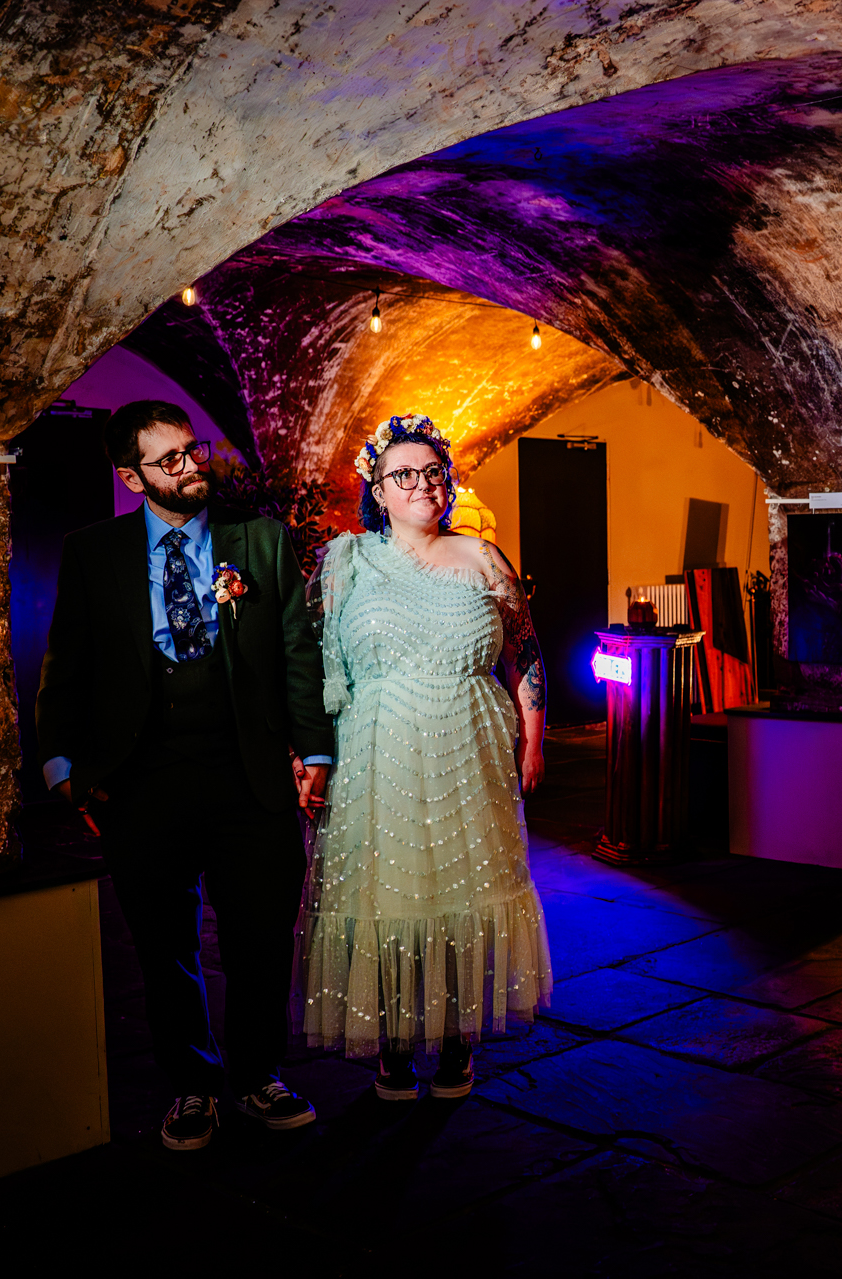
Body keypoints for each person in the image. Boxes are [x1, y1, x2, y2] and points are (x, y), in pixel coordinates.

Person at [37, 400, 334, 1150]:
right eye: (169, 459)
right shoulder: (93, 552)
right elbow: (67, 663)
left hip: (249, 775)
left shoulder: (259, 539)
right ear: (131, 476)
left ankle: (259, 1074)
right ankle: (193, 1087)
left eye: (192, 450)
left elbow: (298, 652)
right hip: (143, 779)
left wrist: (315, 751)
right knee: (164, 945)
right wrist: (62, 767)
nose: (191, 465)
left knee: (260, 937)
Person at [299, 413, 553, 1099]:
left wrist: (533, 738)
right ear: (377, 489)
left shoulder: (484, 558)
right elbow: (314, 668)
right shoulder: (347, 563)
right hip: (377, 755)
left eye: (432, 472)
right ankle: (392, 1040)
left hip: (469, 750)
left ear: (450, 482)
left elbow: (526, 651)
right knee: (389, 896)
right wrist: (308, 754)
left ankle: (455, 1037)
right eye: (403, 474)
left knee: (462, 895)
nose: (421, 484)